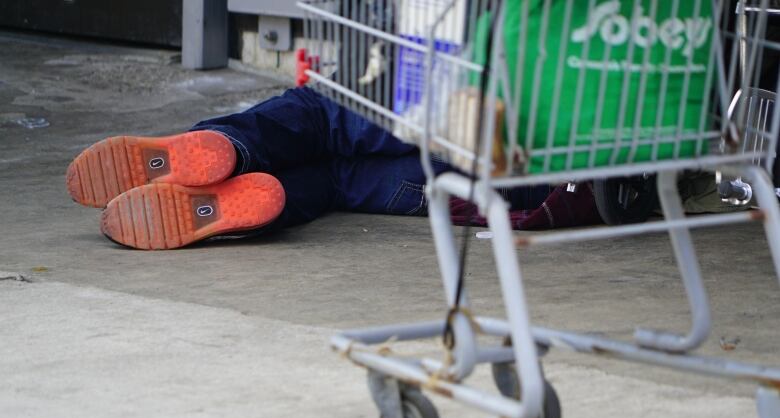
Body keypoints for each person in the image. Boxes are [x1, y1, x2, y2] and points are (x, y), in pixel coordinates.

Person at [66, 87, 601, 250]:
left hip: (484, 131)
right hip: (503, 189)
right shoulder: (665, 125)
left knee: (324, 115)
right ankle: (214, 202)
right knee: (334, 181)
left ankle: (221, 148)